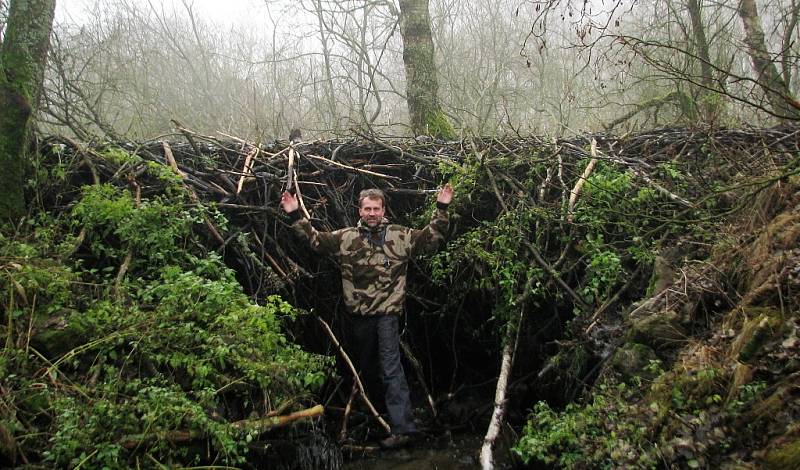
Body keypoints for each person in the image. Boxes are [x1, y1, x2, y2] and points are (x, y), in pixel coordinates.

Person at [280, 185, 454, 448]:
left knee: (390, 367)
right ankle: (380, 418)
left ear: (383, 210)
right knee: (369, 369)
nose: (372, 213)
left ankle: (404, 427)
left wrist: (441, 208)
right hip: (359, 317)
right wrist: (295, 215)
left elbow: (431, 240)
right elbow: (315, 241)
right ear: (360, 211)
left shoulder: (400, 235)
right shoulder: (346, 238)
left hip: (387, 316)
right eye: (367, 209)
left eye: (376, 209)